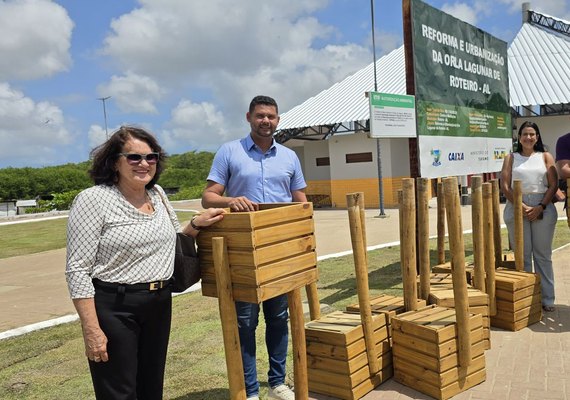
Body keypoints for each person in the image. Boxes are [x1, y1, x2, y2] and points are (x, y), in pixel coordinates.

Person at [66, 126, 224, 400]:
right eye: (134, 158)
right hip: (115, 307)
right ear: (114, 161)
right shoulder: (93, 200)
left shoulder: (158, 194)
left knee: (152, 387)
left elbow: (175, 239)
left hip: (159, 303)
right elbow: (77, 269)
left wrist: (196, 224)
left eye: (151, 157)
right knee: (120, 392)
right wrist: (91, 329)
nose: (144, 164)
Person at [202, 95, 306, 400]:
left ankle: (277, 383)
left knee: (278, 318)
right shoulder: (229, 152)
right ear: (249, 117)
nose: (266, 121)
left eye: (271, 117)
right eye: (260, 116)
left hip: (279, 251)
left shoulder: (289, 157)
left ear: (278, 120)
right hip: (244, 253)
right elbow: (209, 197)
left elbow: (300, 202)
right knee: (245, 322)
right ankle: (249, 391)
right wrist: (230, 200)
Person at [500, 121, 558, 312]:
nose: (528, 137)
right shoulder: (511, 158)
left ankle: (547, 298)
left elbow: (553, 184)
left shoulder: (545, 156)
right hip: (517, 206)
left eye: (532, 134)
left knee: (542, 255)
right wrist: (522, 206)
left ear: (537, 137)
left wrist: (540, 206)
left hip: (543, 206)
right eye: (525, 134)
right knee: (522, 256)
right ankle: (526, 300)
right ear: (519, 137)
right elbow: (505, 186)